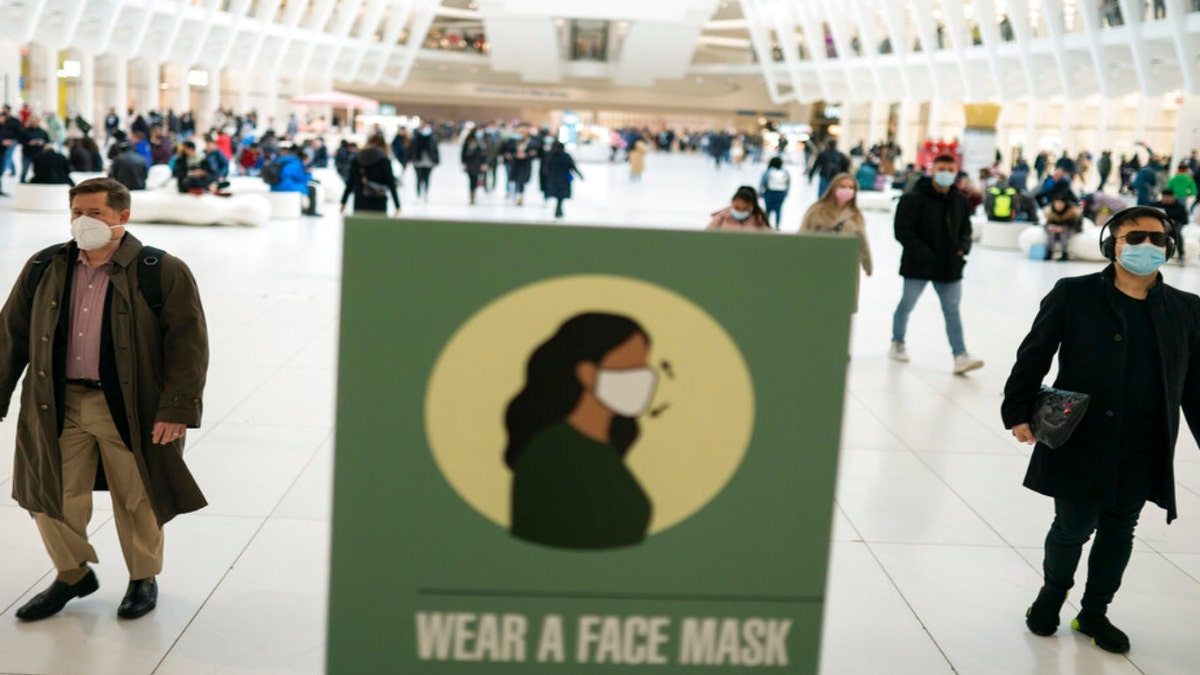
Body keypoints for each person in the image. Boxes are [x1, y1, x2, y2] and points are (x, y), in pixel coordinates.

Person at [0, 177, 208, 621]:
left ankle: (142, 578)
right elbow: (10, 335)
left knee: (138, 497)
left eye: (95, 214)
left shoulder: (160, 270)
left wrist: (176, 408)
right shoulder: (44, 266)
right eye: (76, 213)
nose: (83, 222)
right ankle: (72, 575)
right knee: (49, 493)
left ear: (122, 217)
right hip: (58, 404)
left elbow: (188, 346)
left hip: (132, 407)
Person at [1004, 206, 1200, 656]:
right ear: (1111, 243)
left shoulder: (1186, 310)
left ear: (1169, 246)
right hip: (1080, 439)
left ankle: (1094, 611)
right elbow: (1033, 355)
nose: (1145, 246)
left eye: (1155, 238)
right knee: (1072, 526)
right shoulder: (1073, 294)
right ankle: (1052, 595)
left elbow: (1196, 385)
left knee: (1120, 530)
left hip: (1143, 443)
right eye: (1133, 238)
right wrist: (1018, 412)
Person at [504, 313, 655, 549]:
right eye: (631, 367)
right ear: (588, 373)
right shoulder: (551, 455)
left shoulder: (604, 446)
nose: (644, 379)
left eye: (644, 368)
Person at [889, 154, 984, 374]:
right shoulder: (913, 198)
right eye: (942, 169)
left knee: (952, 311)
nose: (946, 174)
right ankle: (897, 342)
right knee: (907, 303)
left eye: (951, 170)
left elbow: (966, 230)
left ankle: (960, 355)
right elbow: (902, 231)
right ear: (932, 169)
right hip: (918, 264)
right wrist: (923, 252)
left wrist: (962, 248)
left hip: (949, 266)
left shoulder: (959, 200)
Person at [798, 173, 873, 308]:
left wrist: (867, 265)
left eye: (850, 187)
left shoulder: (856, 215)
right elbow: (802, 235)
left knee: (840, 306)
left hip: (845, 266)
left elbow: (862, 242)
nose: (846, 190)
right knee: (816, 303)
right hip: (818, 264)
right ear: (833, 188)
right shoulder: (817, 210)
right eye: (842, 186)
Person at [340, 133, 400, 216]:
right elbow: (391, 183)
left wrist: (343, 202)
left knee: (361, 227)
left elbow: (350, 183)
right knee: (377, 228)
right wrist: (397, 205)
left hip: (360, 201)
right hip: (378, 201)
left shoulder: (357, 159)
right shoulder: (384, 161)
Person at [271, 144, 322, 216]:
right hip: (285, 186)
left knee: (303, 188)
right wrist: (308, 173)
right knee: (311, 189)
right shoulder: (297, 164)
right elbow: (302, 180)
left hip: (275, 185)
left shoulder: (288, 160)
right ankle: (311, 211)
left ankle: (302, 209)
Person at [543, 141, 583, 219]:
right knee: (561, 195)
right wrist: (580, 175)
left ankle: (558, 209)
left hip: (554, 178)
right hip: (564, 178)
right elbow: (572, 166)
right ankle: (559, 208)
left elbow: (546, 168)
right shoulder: (566, 156)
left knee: (557, 194)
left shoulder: (551, 156)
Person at [706, 186, 772, 231]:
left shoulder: (758, 219)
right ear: (732, 203)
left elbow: (771, 239)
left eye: (745, 209)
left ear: (752, 207)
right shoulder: (721, 217)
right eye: (736, 208)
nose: (740, 212)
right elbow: (706, 235)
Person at [1152, 189, 1189, 260]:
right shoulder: (1157, 205)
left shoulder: (1180, 208)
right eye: (1164, 197)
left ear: (1173, 197)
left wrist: (1175, 222)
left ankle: (1181, 254)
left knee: (1178, 235)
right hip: (1157, 227)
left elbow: (1185, 221)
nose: (1166, 199)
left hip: (1173, 228)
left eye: (1168, 197)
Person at [408, 124, 440, 202]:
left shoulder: (432, 138)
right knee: (418, 179)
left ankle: (425, 194)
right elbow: (411, 149)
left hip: (429, 162)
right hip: (418, 162)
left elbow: (435, 150)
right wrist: (408, 160)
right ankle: (418, 195)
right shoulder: (416, 138)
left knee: (427, 179)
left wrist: (436, 160)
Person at [759, 156, 791, 230]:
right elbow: (788, 183)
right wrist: (786, 193)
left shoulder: (767, 172)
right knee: (778, 209)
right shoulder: (785, 172)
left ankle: (766, 224)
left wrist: (760, 192)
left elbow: (762, 183)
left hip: (769, 193)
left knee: (768, 209)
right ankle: (777, 225)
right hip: (780, 194)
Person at [461, 128, 489, 205]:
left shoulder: (484, 141)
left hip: (479, 164)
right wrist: (464, 163)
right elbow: (463, 153)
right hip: (470, 163)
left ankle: (474, 195)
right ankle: (472, 196)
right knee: (471, 180)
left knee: (476, 179)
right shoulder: (469, 141)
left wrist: (485, 163)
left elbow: (486, 154)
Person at [19, 116, 51, 183]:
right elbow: (20, 141)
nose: (35, 124)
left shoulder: (42, 131)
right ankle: (22, 181)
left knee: (38, 169)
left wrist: (42, 143)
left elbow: (47, 141)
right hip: (27, 153)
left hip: (39, 153)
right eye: (33, 123)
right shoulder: (25, 130)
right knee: (25, 169)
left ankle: (37, 181)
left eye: (36, 122)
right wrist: (29, 143)